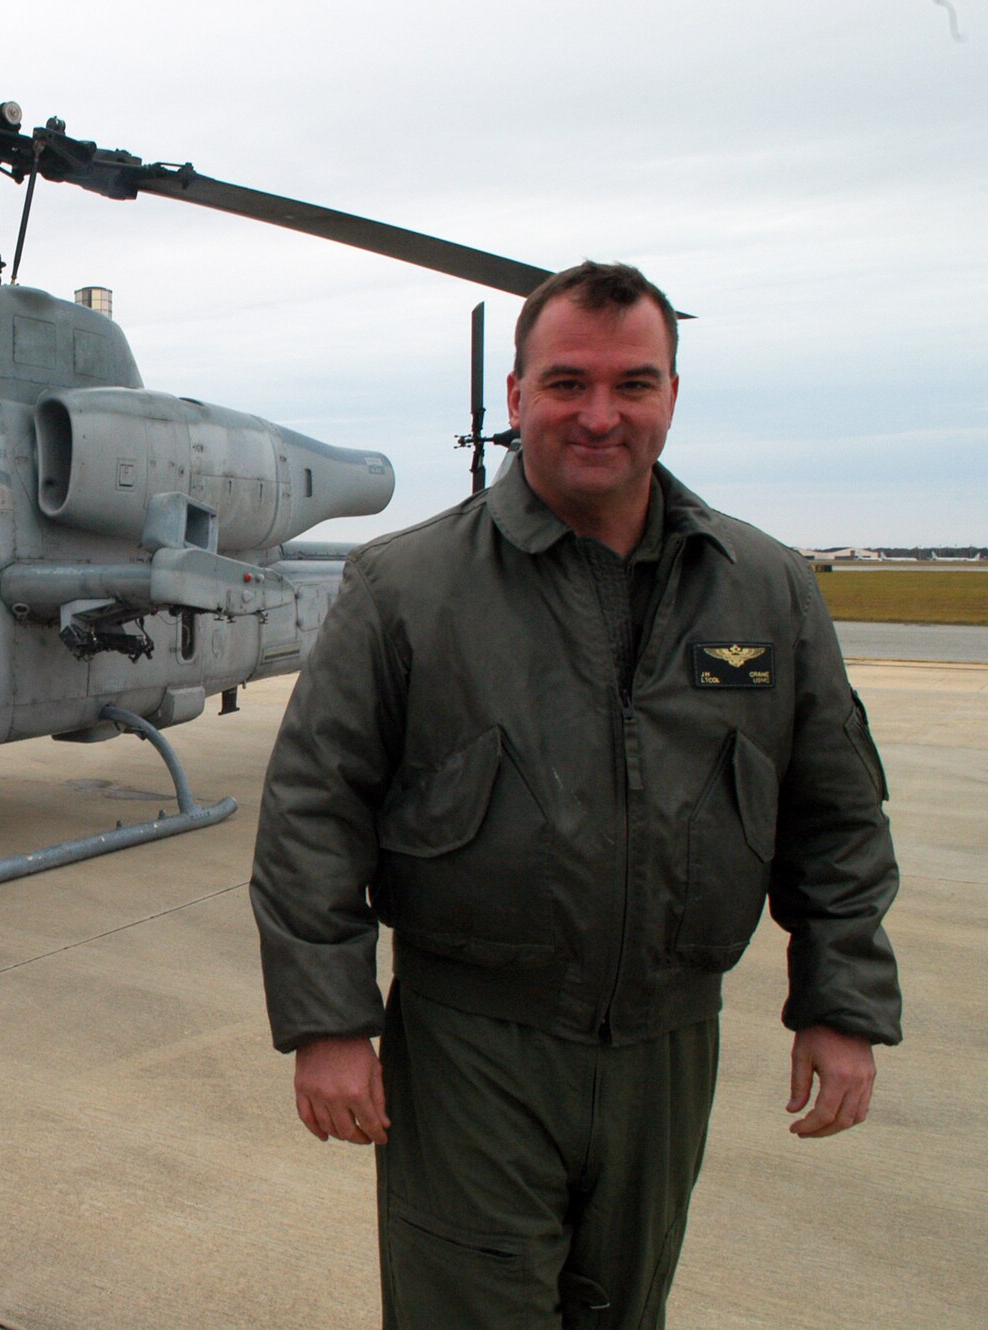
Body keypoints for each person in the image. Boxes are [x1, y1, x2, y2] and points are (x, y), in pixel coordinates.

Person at [250, 261, 902, 1328]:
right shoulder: (405, 586)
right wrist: (329, 1022)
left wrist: (839, 1002)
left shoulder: (762, 585)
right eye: (565, 384)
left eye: (631, 384)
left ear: (670, 398)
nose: (598, 415)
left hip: (666, 1038)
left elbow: (832, 813)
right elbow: (312, 815)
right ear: (514, 400)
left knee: (620, 1310)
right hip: (473, 1045)